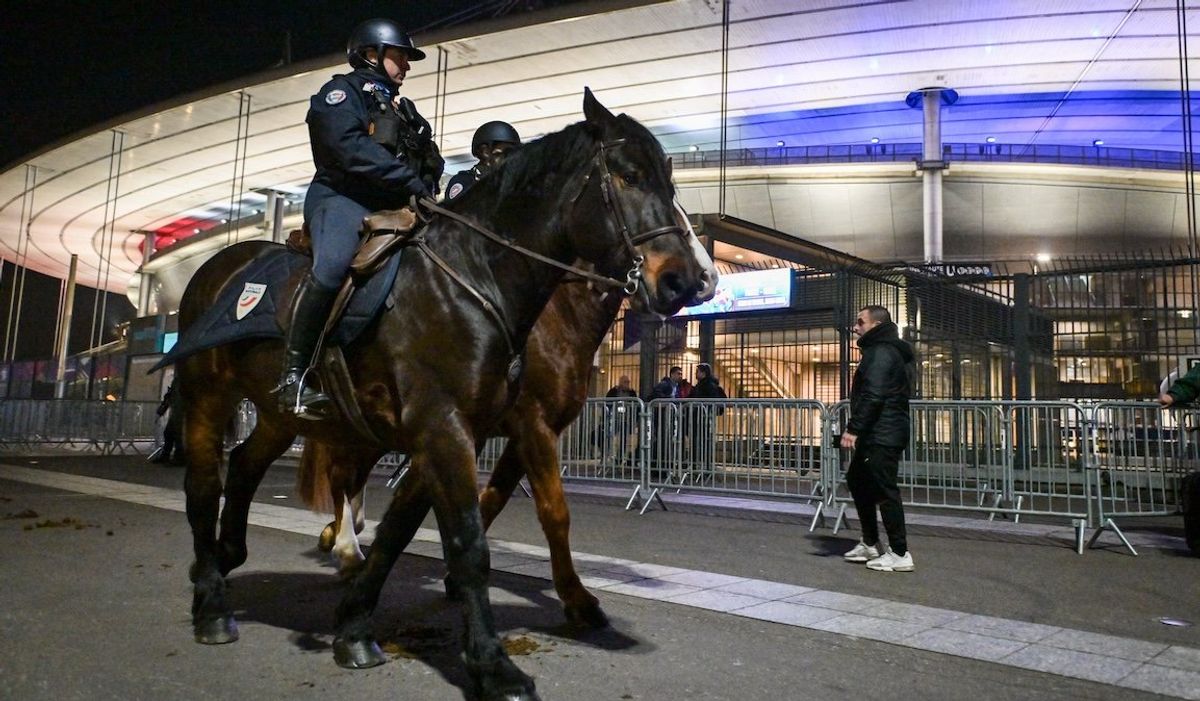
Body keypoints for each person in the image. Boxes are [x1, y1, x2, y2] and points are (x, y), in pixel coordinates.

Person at [276, 18, 441, 419]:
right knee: (331, 268)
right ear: (371, 54)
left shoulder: (405, 109)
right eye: (400, 56)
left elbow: (430, 155)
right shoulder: (340, 92)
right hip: (343, 197)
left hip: (396, 205)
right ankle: (293, 377)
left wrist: (427, 179)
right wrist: (408, 180)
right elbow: (346, 149)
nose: (406, 66)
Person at [840, 305, 916, 572]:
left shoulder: (882, 352)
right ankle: (870, 542)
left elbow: (874, 394)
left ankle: (899, 552)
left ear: (875, 325)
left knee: (884, 490)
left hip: (883, 432)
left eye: (861, 322)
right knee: (857, 480)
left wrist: (853, 428)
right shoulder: (880, 350)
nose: (856, 326)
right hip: (880, 430)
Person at [444, 121, 522, 201]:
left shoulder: (514, 185)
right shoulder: (464, 181)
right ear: (485, 152)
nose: (510, 159)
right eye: (503, 154)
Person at [687, 363, 727, 476]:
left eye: (697, 372)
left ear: (703, 373)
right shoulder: (703, 384)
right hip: (701, 418)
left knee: (701, 441)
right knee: (702, 441)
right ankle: (701, 466)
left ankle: (701, 467)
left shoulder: (707, 385)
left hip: (703, 418)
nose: (696, 374)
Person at [150, 381, 184, 465]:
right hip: (177, 411)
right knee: (169, 433)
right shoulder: (178, 381)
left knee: (178, 436)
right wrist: (162, 409)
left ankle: (179, 458)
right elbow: (170, 396)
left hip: (182, 412)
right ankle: (166, 456)